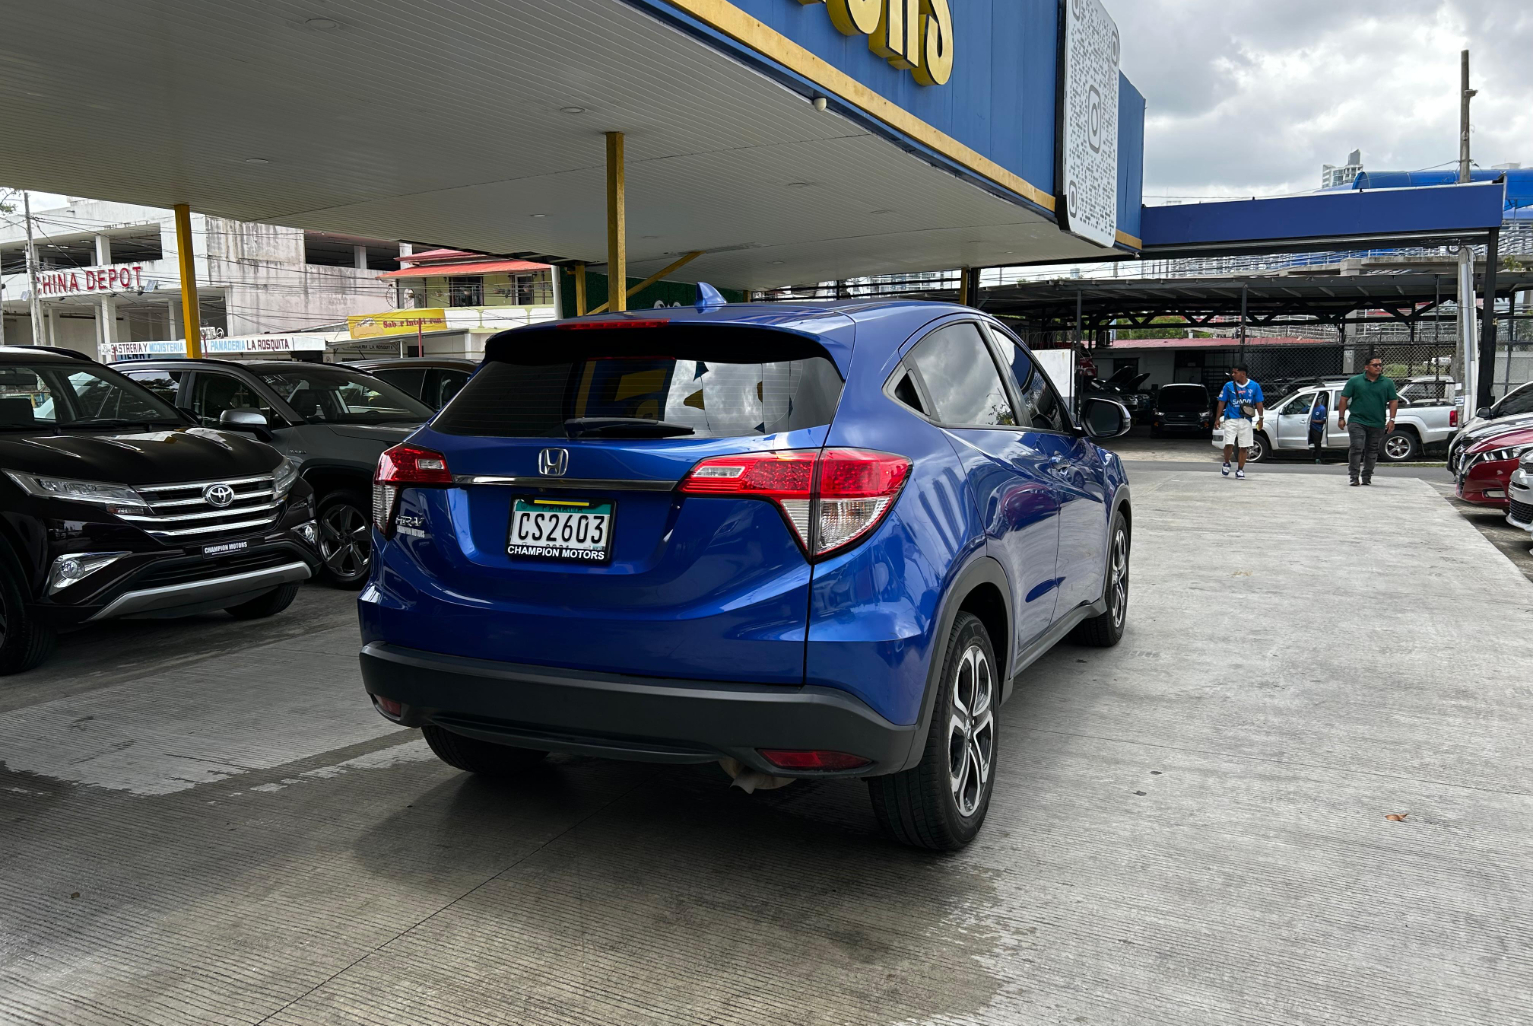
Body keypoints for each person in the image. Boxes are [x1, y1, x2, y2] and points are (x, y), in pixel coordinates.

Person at [1337, 356, 1399, 486]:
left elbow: (1393, 401)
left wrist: (1392, 419)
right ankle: (1354, 476)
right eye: (1375, 365)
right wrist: (1341, 418)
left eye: (1380, 365)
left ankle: (1367, 475)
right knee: (1357, 446)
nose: (1378, 367)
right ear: (1366, 367)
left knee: (1372, 450)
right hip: (1357, 420)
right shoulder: (1355, 381)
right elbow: (1344, 398)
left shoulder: (1387, 383)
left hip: (1377, 422)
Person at [1215, 364, 1265, 480]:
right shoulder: (1228, 386)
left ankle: (1240, 470)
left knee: (1243, 446)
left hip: (1245, 419)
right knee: (1229, 443)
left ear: (1243, 373)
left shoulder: (1254, 386)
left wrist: (1261, 418)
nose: (1233, 375)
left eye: (1235, 372)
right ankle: (1226, 462)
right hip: (1231, 418)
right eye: (1232, 372)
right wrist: (1217, 418)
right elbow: (1221, 402)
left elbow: (1259, 403)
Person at [1309, 392, 1329, 463]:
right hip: (1309, 427)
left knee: (1317, 443)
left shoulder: (1322, 409)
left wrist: (1313, 421)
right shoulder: (1310, 408)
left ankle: (1318, 457)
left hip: (1317, 428)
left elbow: (1323, 421)